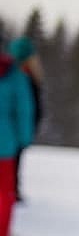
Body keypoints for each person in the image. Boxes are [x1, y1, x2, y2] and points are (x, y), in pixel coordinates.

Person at [0, 42, 34, 236]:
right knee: (5, 192)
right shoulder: (16, 76)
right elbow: (24, 110)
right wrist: (23, 139)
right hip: (5, 144)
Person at [8, 36, 44, 203]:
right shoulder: (21, 78)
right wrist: (25, 134)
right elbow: (25, 109)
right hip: (13, 133)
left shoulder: (14, 75)